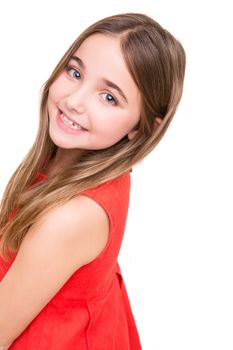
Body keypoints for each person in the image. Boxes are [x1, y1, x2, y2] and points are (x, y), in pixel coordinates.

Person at [0, 12, 186, 349]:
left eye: (109, 97)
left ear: (142, 128)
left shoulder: (71, 217)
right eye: (75, 72)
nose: (73, 101)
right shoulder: (80, 162)